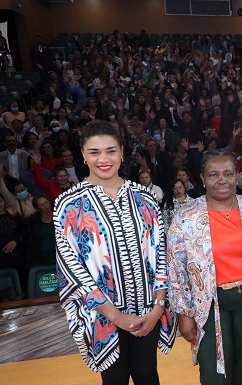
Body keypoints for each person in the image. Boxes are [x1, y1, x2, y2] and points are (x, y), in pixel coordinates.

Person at [54, 120, 175, 384]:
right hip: (103, 315)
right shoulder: (69, 204)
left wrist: (158, 306)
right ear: (83, 156)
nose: (103, 159)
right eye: (94, 152)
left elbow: (161, 255)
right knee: (115, 379)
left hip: (148, 310)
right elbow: (71, 267)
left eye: (110, 150)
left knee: (147, 375)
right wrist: (116, 316)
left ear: (121, 152)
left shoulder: (144, 198)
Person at [167, 150, 242, 384]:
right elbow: (176, 270)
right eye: (213, 174)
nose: (221, 180)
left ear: (237, 175)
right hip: (207, 304)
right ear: (202, 178)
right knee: (214, 372)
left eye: (228, 174)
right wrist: (183, 314)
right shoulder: (186, 216)